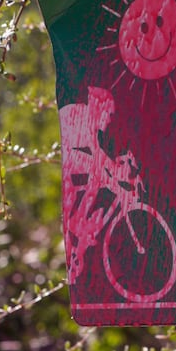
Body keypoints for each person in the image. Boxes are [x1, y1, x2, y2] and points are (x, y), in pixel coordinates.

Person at [59, 86, 119, 281]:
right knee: (98, 173)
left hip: (73, 156)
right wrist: (116, 176)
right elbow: (97, 157)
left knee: (100, 174)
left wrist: (116, 172)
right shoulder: (85, 117)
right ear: (100, 108)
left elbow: (99, 155)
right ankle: (79, 220)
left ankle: (80, 221)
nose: (109, 119)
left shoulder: (89, 119)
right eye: (108, 113)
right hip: (70, 156)